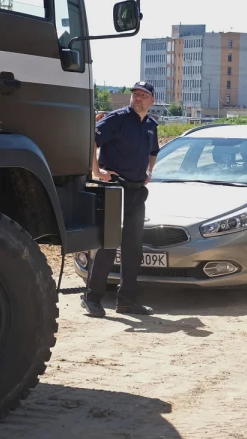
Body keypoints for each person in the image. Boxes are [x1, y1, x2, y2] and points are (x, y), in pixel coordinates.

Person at [81, 81, 160, 317]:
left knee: (133, 246)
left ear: (151, 100)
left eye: (143, 95)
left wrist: (149, 172)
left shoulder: (151, 125)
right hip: (115, 188)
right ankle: (92, 298)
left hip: (137, 191)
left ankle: (127, 300)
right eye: (135, 94)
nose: (137, 98)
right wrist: (97, 171)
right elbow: (90, 142)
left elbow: (153, 152)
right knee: (108, 244)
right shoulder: (116, 119)